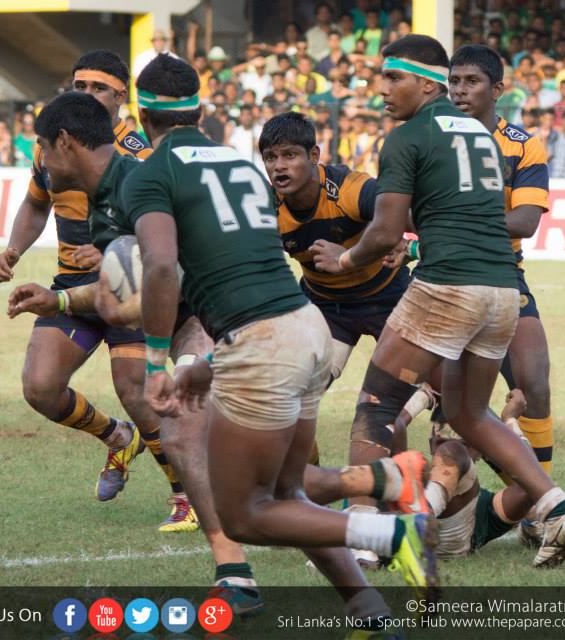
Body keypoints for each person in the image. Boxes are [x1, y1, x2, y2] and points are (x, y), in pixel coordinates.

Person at [125, 53, 438, 621]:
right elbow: (250, 277)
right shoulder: (243, 169)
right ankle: (369, 608)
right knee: (289, 493)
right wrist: (210, 363)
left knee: (245, 513)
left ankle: (392, 534)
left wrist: (154, 365)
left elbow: (163, 267)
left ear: (141, 115)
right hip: (307, 326)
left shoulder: (150, 174)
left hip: (266, 344)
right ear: (200, 109)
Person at [311, 35, 565, 568]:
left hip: (448, 286)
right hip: (503, 289)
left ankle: (367, 540)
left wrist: (344, 260)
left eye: (393, 78)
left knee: (376, 406)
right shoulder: (482, 136)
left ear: (425, 84)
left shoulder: (406, 137)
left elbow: (385, 230)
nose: (381, 89)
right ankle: (559, 508)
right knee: (469, 413)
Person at [6, 91, 264, 616]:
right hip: (203, 316)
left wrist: (155, 358)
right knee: (189, 433)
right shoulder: (107, 200)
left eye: (43, 148)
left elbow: (163, 271)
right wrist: (60, 300)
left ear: (65, 141)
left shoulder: (141, 182)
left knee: (263, 462)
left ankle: (381, 501)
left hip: (234, 318)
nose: (40, 160)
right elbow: (130, 288)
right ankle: (237, 571)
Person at [0, 51, 194, 531]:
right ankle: (118, 438)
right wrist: (14, 248)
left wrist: (113, 256)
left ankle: (184, 492)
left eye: (98, 87)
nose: (86, 94)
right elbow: (35, 204)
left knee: (136, 390)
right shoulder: (51, 145)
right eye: (79, 85)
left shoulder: (141, 154)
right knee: (40, 388)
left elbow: (165, 232)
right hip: (70, 285)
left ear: (122, 97)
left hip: (127, 286)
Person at [259, 112, 423, 569]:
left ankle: (398, 505)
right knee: (291, 402)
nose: (279, 166)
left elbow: (411, 217)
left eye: (290, 155)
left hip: (389, 300)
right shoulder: (265, 206)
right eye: (270, 157)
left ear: (314, 155)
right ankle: (306, 503)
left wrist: (395, 243)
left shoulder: (352, 189)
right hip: (325, 310)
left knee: (390, 407)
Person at [449, 44, 557, 544]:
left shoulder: (522, 145)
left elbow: (526, 220)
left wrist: (457, 221)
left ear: (497, 89)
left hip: (503, 273)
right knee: (438, 399)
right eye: (454, 81)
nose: (460, 90)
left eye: (471, 81)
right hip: (443, 275)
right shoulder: (435, 138)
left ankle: (538, 505)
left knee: (534, 381)